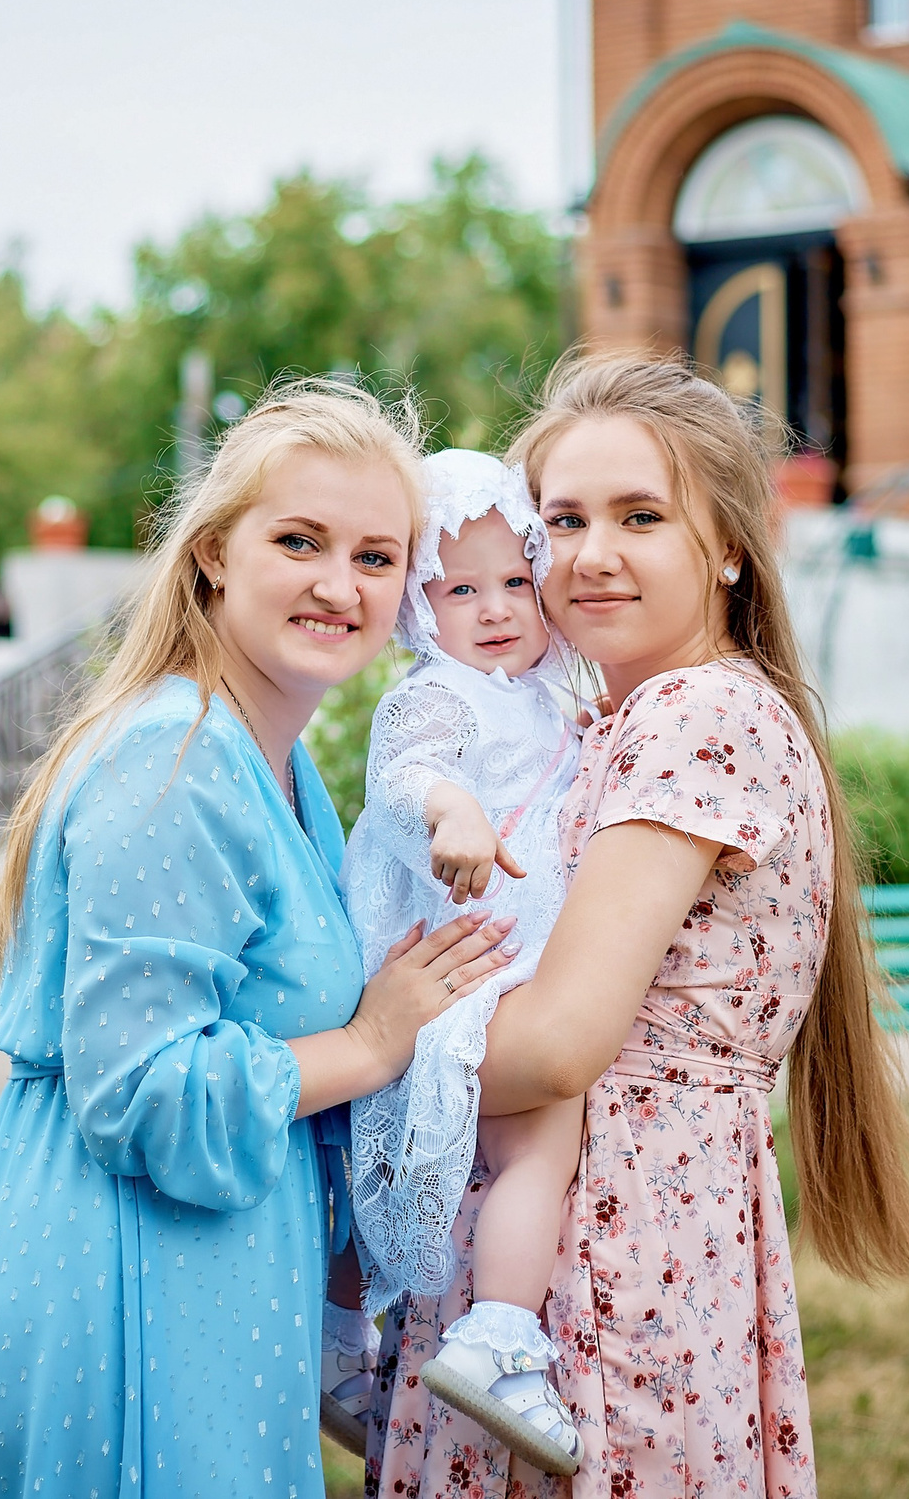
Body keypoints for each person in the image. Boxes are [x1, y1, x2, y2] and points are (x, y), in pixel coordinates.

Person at [0, 379, 515, 1499]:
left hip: (208, 1296)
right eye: (300, 540)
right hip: (116, 1304)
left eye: (377, 557)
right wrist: (373, 1044)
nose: (339, 583)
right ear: (214, 553)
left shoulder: (278, 767)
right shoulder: (171, 764)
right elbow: (141, 1090)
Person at [372, 350, 909, 1497]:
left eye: (640, 516)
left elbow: (561, 1044)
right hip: (608, 1224)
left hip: (608, 1251)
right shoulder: (619, 716)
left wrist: (367, 1048)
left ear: (726, 544)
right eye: (563, 520)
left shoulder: (696, 712)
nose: (589, 554)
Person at [328, 449, 588, 1476]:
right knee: (539, 1142)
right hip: (467, 961)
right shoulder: (438, 694)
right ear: (417, 611)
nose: (492, 608)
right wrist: (455, 810)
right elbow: (404, 775)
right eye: (457, 588)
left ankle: (358, 1339)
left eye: (515, 582)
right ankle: (500, 1334)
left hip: (509, 954)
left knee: (486, 1150)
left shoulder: (546, 690)